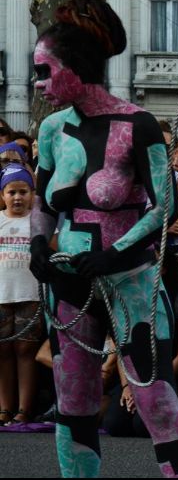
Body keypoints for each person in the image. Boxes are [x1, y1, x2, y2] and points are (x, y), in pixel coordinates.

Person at [28, 0, 178, 477]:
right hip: (69, 284)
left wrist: (114, 254)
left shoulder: (137, 125)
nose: (38, 84)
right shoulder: (52, 129)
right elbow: (43, 202)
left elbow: (163, 208)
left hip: (131, 284)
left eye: (44, 72)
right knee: (73, 403)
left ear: (77, 69)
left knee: (155, 397)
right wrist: (39, 244)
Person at [103, 248, 178, 437]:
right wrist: (127, 386)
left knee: (144, 426)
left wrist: (153, 386)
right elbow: (122, 350)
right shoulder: (127, 300)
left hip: (169, 377)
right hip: (135, 377)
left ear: (164, 269)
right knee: (115, 425)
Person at [0, 164, 42, 426]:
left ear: (32, 194)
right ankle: (5, 408)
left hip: (30, 294)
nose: (17, 197)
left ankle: (24, 408)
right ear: (2, 195)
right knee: (2, 350)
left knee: (26, 349)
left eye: (23, 192)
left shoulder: (39, 222)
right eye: (11, 192)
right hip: (2, 295)